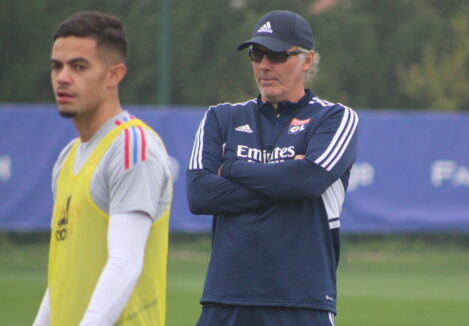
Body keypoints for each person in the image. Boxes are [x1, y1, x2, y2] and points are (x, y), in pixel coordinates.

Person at [187, 10, 358, 326]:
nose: (264, 65)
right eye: (257, 53)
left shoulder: (335, 118)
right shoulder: (221, 118)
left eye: (278, 55)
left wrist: (234, 167)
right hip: (225, 300)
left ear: (307, 60)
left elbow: (307, 181)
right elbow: (200, 195)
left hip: (301, 302)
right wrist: (286, 180)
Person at [32, 11, 172, 326]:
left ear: (114, 75)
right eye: (57, 66)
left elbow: (125, 263)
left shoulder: (132, 148)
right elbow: (62, 278)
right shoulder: (67, 157)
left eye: (79, 66)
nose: (63, 77)